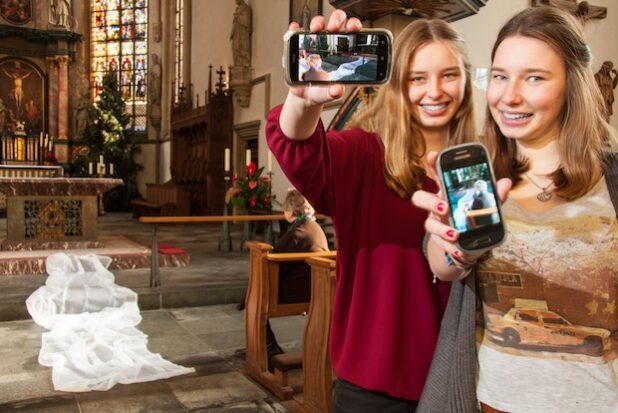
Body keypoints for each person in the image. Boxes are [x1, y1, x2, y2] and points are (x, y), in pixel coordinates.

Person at [266, 9, 476, 412]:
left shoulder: (478, 164)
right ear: (398, 85)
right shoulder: (365, 154)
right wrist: (305, 102)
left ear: (466, 80)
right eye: (418, 77)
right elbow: (299, 150)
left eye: (449, 74)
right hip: (376, 387)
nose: (435, 90)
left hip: (459, 380)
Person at [413, 6, 618, 413]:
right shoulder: (479, 176)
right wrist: (457, 248)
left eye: (534, 78)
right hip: (494, 403)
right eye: (501, 76)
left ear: (571, 86)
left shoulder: (611, 180)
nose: (509, 96)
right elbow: (443, 264)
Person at [265, 189, 329, 365]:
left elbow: (273, 260)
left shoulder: (296, 233)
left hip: (304, 292)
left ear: (290, 211)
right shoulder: (314, 228)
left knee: (257, 298)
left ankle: (269, 350)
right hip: (318, 287)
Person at [230, 0, 252, 68]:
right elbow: (234, 23)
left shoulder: (246, 8)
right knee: (234, 49)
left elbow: (246, 22)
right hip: (236, 34)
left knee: (241, 49)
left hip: (242, 35)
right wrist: (232, 32)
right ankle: (237, 66)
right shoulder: (237, 9)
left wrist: (238, 17)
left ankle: (244, 64)